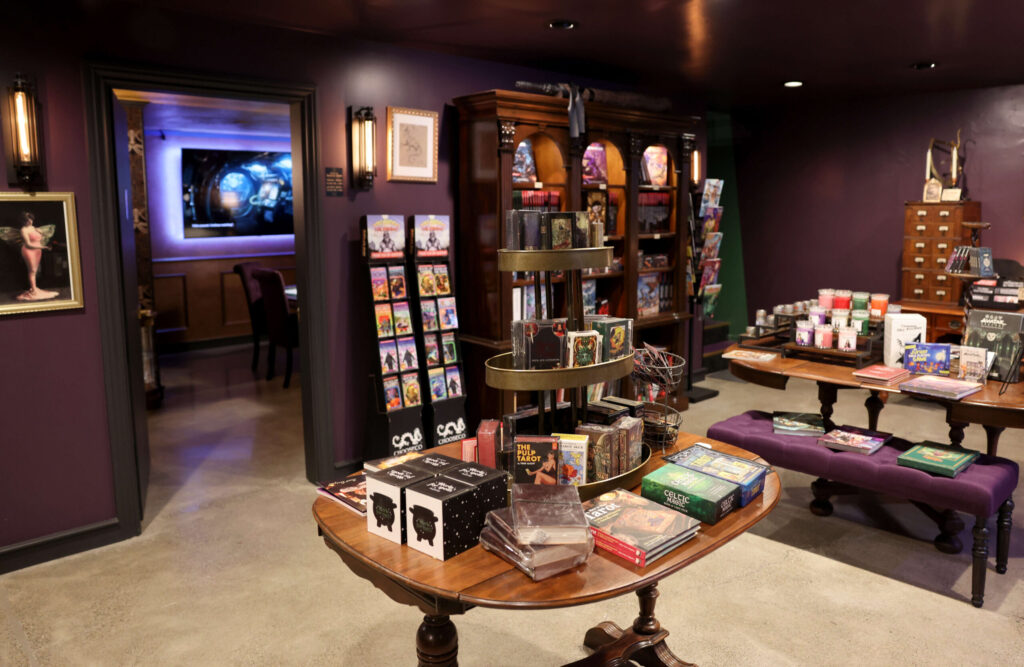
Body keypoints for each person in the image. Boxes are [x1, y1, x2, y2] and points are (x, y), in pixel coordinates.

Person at [16, 211, 58, 302]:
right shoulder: (23, 230)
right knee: (32, 271)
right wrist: (43, 247)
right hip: (29, 251)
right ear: (23, 221)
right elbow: (28, 245)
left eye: (30, 219)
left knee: (35, 271)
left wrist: (40, 233)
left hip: (37, 250)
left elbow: (39, 238)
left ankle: (34, 287)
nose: (30, 222)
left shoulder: (33, 227)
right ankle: (34, 290)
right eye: (27, 220)